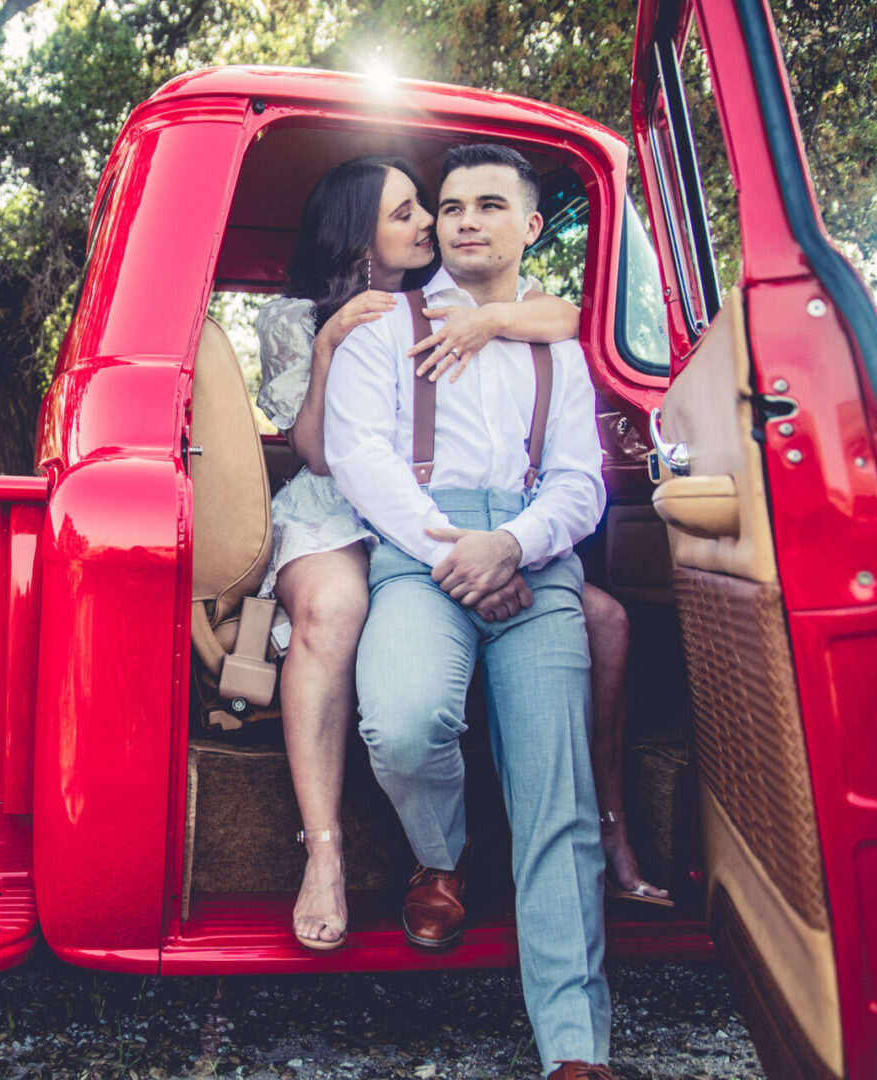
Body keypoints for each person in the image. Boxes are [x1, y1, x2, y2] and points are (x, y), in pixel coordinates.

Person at [324, 143, 617, 1077]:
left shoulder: (560, 348)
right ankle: (440, 856)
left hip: (535, 560)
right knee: (403, 725)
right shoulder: (381, 327)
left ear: (530, 227)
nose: (462, 220)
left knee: (556, 800)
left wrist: (517, 546)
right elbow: (358, 455)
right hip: (423, 549)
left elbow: (581, 483)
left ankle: (575, 1049)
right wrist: (457, 550)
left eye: (489, 205)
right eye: (449, 206)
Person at [255, 156, 587, 950]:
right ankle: (325, 851)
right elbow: (324, 453)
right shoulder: (299, 318)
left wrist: (492, 321)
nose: (433, 225)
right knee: (337, 610)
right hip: (338, 505)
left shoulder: (450, 301)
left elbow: (566, 318)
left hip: (428, 513)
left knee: (600, 620)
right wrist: (333, 342)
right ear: (359, 230)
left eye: (423, 210)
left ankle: (602, 833)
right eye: (409, 212)